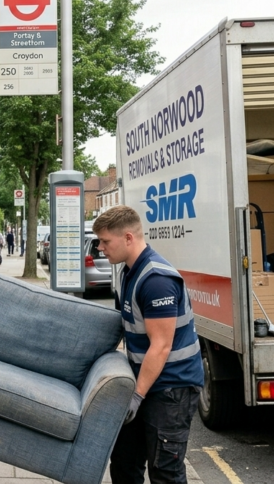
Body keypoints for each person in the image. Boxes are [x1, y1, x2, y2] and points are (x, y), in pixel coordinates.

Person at [93, 206, 204, 484]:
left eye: (105, 241)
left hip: (170, 390)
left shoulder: (155, 280)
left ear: (128, 238)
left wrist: (136, 396)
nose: (101, 248)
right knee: (124, 463)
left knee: (165, 472)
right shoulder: (128, 272)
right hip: (145, 382)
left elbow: (161, 346)